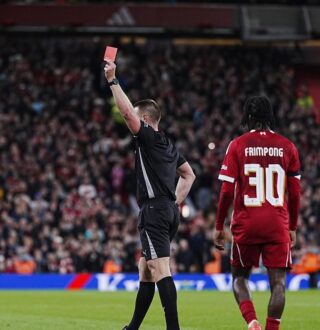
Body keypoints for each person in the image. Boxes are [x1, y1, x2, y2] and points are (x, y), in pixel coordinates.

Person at [103, 60, 195, 330]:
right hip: (167, 210)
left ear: (144, 119)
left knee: (160, 269)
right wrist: (175, 201)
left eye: (134, 114)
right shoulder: (168, 145)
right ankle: (132, 327)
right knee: (146, 269)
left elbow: (125, 113)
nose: (128, 117)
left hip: (154, 211)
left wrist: (113, 80)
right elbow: (189, 174)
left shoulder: (149, 138)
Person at [213, 96, 301, 330]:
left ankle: (252, 322)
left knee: (240, 277)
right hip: (277, 224)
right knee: (279, 284)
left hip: (246, 223)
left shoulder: (238, 145)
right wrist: (293, 226)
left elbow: (226, 192)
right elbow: (295, 193)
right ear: (270, 117)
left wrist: (219, 226)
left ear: (248, 117)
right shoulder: (288, 146)